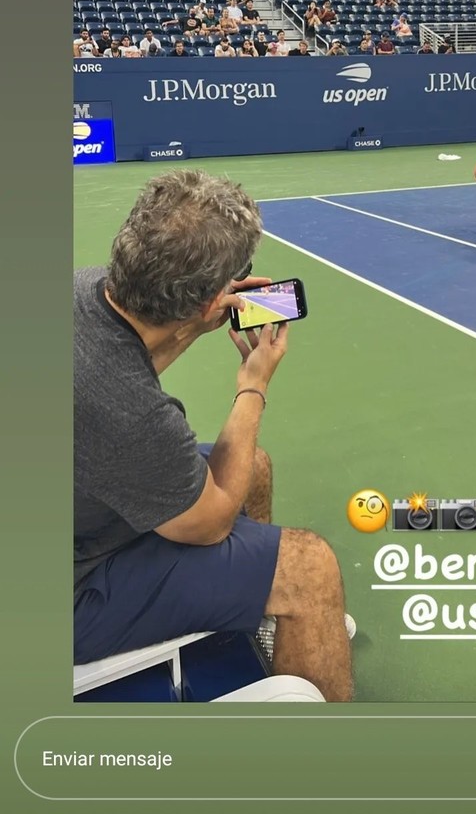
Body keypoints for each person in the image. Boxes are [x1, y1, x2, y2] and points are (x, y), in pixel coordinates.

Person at [74, 170, 353, 702]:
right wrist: (253, 386)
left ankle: (248, 609)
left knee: (257, 467)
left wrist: (198, 321)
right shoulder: (132, 415)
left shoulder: (87, 289)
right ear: (206, 303)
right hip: (74, 590)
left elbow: (131, 360)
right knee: (310, 567)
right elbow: (210, 523)